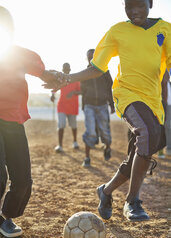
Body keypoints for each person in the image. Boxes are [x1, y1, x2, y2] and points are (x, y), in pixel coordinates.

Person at [43, 0, 171, 222]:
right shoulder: (118, 31)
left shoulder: (165, 30)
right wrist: (67, 79)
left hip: (153, 101)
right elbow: (97, 67)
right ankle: (132, 201)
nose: (134, 11)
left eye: (139, 5)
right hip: (127, 94)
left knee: (141, 152)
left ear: (150, 3)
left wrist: (163, 102)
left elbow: (167, 69)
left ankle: (106, 191)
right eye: (128, 7)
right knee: (148, 133)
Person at [0, 6, 58, 237]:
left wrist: (59, 78)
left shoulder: (20, 54)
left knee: (23, 178)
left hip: (14, 121)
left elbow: (44, 73)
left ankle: (7, 217)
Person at [81, 49, 115, 167]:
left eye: (93, 56)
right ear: (87, 58)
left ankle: (107, 148)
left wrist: (111, 104)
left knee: (105, 131)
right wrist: (83, 106)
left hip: (102, 105)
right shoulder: (85, 73)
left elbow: (109, 89)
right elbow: (83, 91)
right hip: (89, 106)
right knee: (90, 131)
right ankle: (87, 158)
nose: (91, 59)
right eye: (89, 57)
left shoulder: (105, 71)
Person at [50, 63, 80, 152]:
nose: (66, 70)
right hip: (62, 106)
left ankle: (75, 142)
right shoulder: (60, 79)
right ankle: (60, 146)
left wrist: (73, 92)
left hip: (73, 106)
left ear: (70, 69)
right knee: (61, 125)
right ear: (62, 70)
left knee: (73, 126)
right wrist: (52, 95)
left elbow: (81, 91)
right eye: (64, 69)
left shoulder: (75, 80)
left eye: (67, 69)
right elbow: (54, 88)